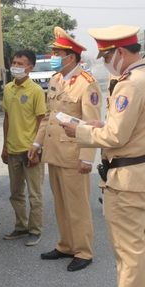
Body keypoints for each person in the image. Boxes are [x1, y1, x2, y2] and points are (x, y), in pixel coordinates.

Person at [60, 25, 145, 287]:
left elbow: (116, 137)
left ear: (119, 52)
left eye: (106, 57)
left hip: (126, 182)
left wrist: (80, 131)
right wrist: (100, 125)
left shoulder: (130, 84)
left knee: (128, 255)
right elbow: (129, 127)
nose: (105, 63)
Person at [28, 27, 101, 272]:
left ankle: (83, 251)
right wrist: (37, 144)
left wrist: (87, 159)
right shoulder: (56, 80)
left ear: (71, 57)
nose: (52, 57)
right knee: (60, 204)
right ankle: (66, 245)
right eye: (52, 53)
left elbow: (91, 126)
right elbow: (48, 116)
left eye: (57, 52)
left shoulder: (87, 85)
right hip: (54, 153)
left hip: (73, 156)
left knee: (78, 206)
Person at [1, 49, 46, 246]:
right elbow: (7, 118)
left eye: (21, 64)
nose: (16, 66)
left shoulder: (35, 91)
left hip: (30, 151)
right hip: (12, 150)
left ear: (30, 67)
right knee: (15, 193)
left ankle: (35, 230)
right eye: (14, 62)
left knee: (34, 194)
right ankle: (21, 226)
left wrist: (37, 149)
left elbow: (41, 122)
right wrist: (5, 146)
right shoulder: (8, 88)